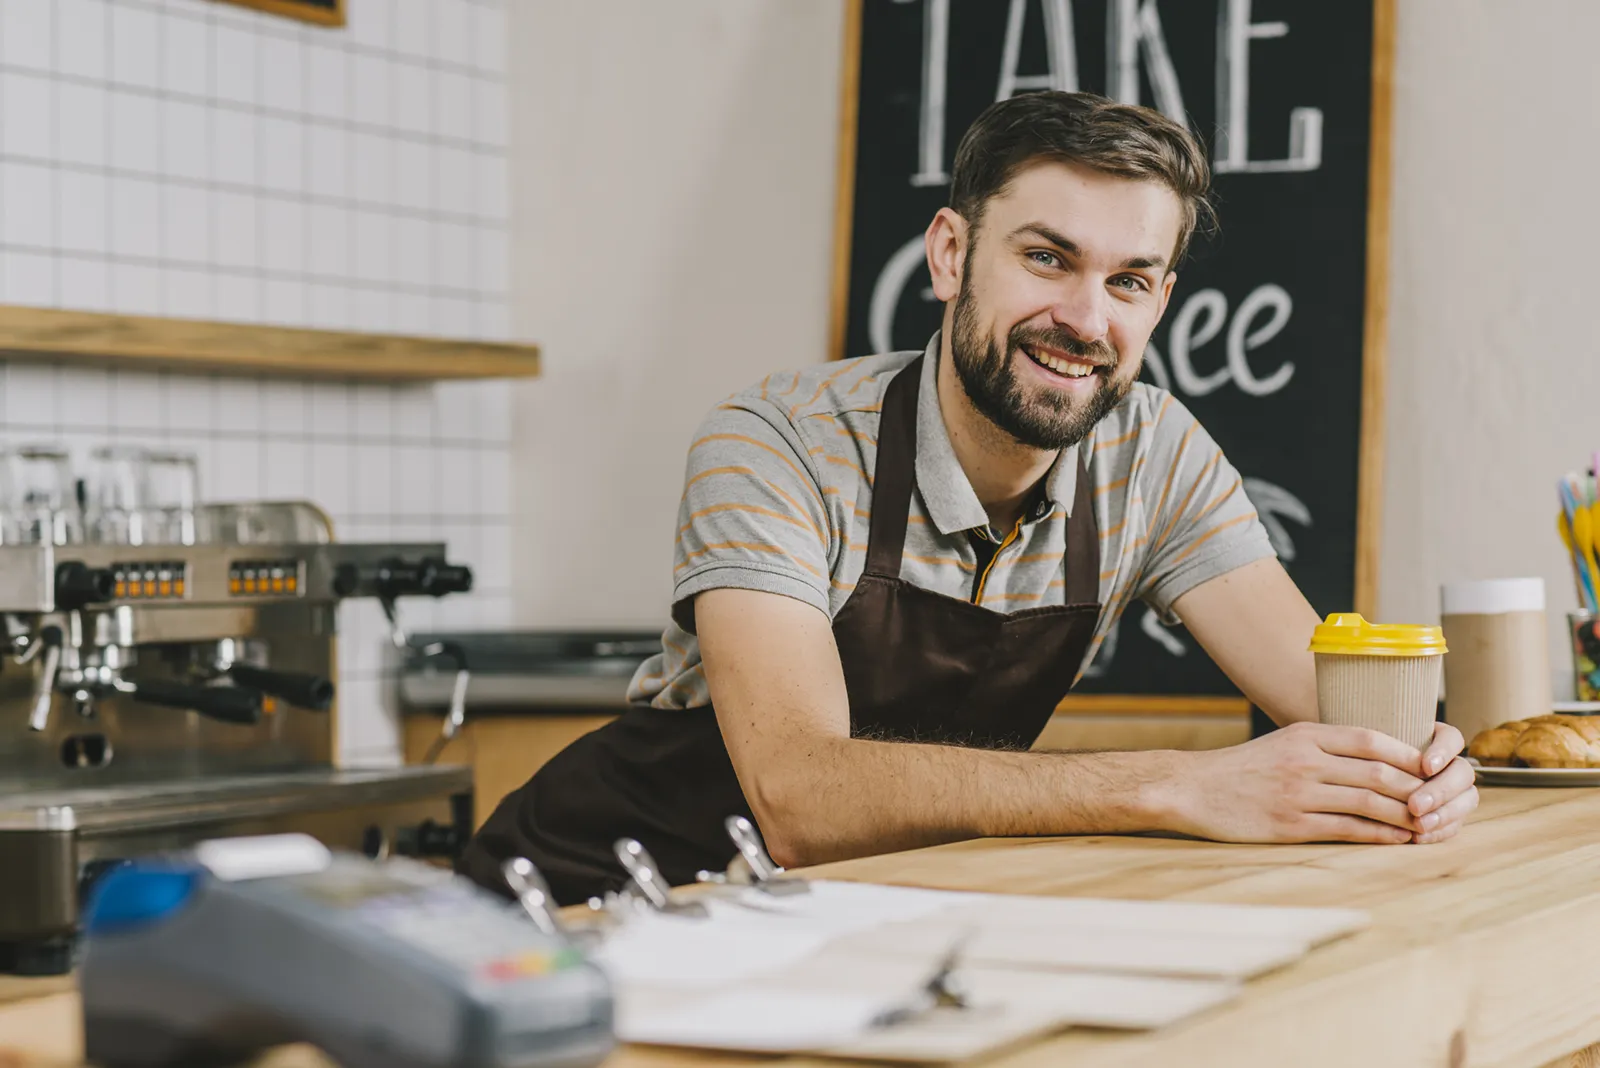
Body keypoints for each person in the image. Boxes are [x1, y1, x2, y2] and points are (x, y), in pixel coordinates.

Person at [460, 91, 1477, 906]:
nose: (1085, 318)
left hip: (850, 917)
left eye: (1130, 280)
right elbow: (799, 797)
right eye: (1045, 258)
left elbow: (1333, 708)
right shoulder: (777, 443)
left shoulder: (1154, 454)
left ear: (1161, 300)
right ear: (951, 255)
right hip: (596, 908)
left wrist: (1419, 765)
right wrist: (1181, 784)